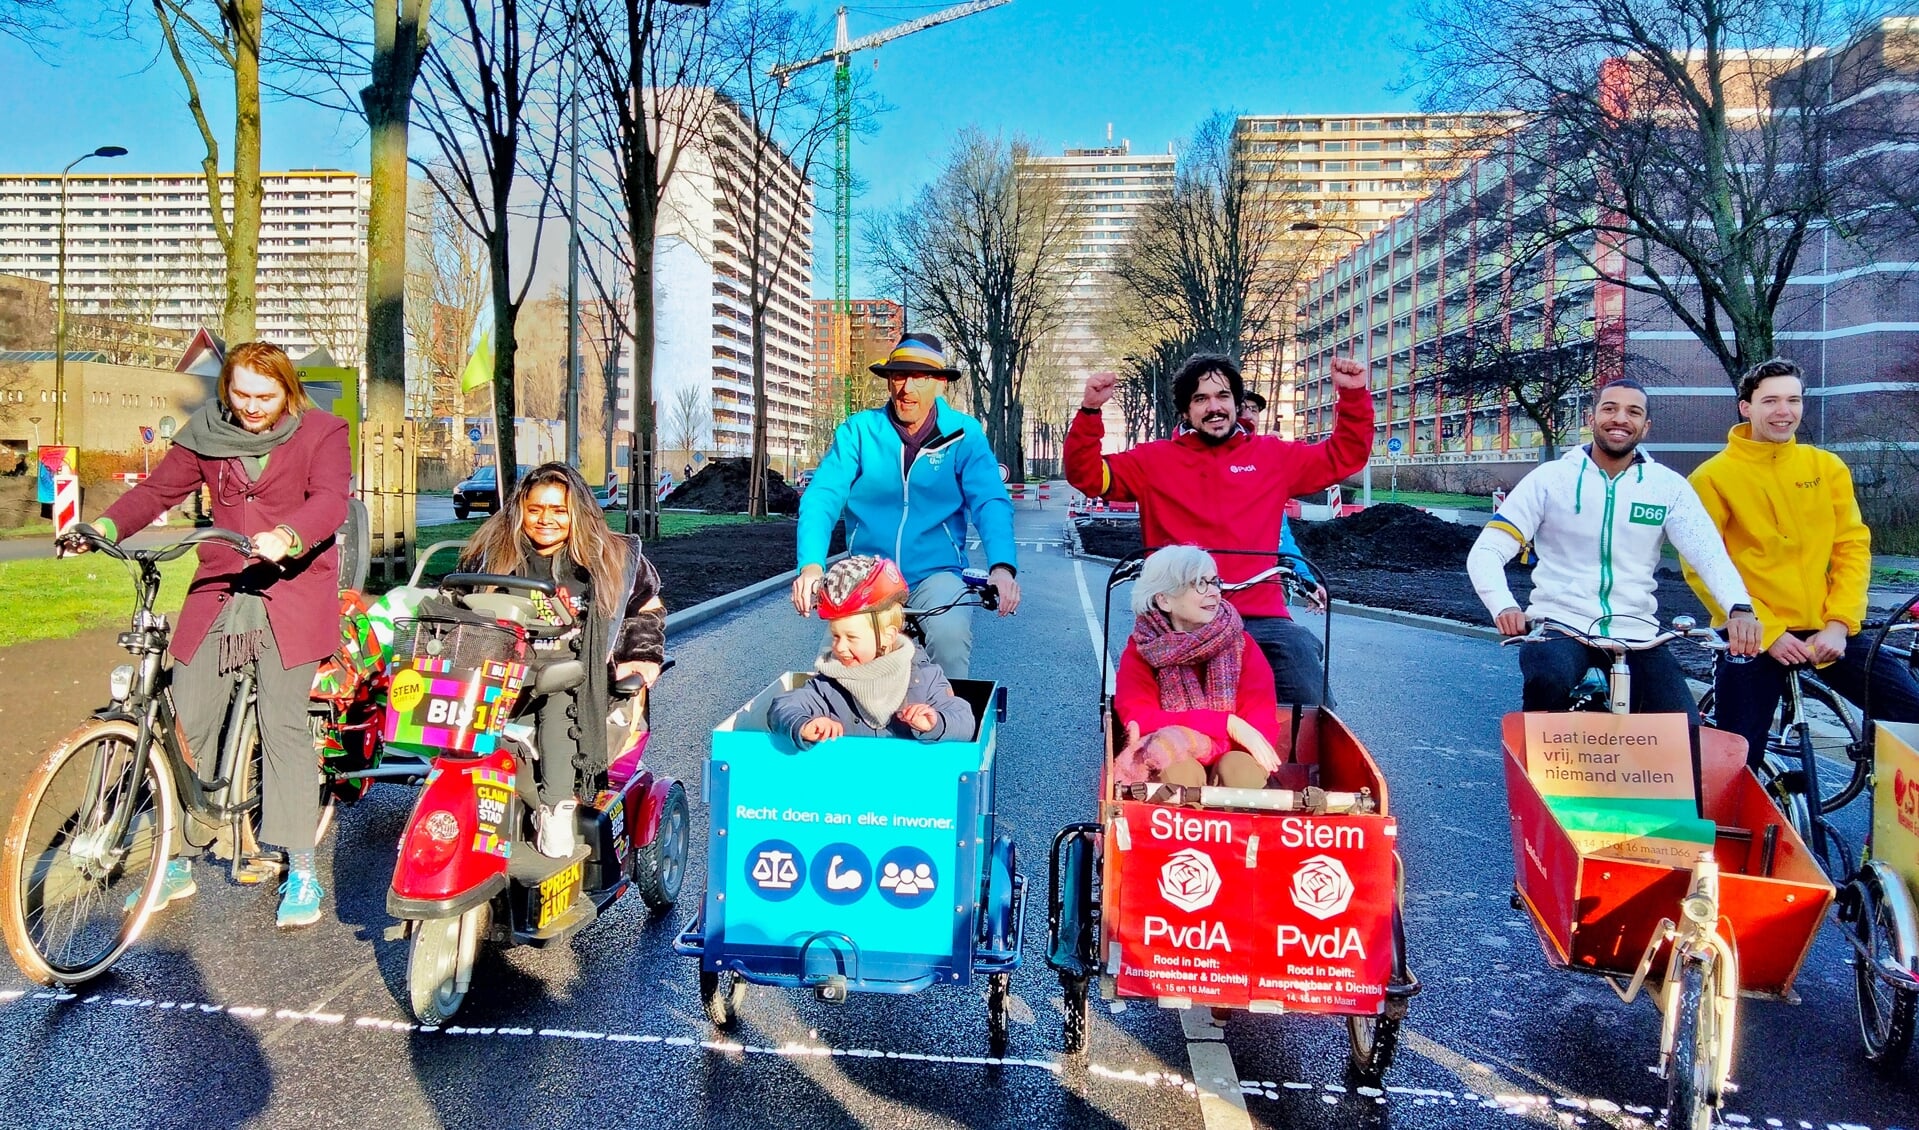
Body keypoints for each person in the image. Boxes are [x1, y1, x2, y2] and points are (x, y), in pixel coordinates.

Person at [64, 341, 351, 929]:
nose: (250, 406)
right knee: (185, 715)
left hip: (290, 591)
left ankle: (300, 866)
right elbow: (156, 492)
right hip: (220, 584)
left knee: (283, 723)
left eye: (264, 396)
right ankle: (178, 854)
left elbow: (329, 502)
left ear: (288, 391)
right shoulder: (206, 432)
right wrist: (100, 527)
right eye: (240, 394)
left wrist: (288, 536)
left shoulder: (323, 431)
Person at [1068, 353, 1373, 705]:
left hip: (1261, 614)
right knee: (1144, 697)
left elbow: (1343, 456)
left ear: (1235, 403)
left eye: (1223, 396)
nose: (1214, 407)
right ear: (1186, 411)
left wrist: (1352, 396)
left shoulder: (1272, 456)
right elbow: (1087, 475)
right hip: (1179, 617)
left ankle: (1305, 758)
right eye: (1201, 399)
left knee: (1305, 676)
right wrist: (1090, 412)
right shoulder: (1153, 460)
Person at [1467, 379, 1762, 730]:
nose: (1620, 418)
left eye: (1633, 412)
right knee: (1547, 684)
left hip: (1637, 632)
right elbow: (1486, 550)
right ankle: (1540, 780)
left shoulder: (1667, 487)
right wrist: (1504, 606)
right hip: (1560, 625)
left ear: (1645, 426)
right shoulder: (1551, 478)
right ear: (1591, 418)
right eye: (1610, 409)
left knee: (1684, 731)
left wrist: (1740, 608)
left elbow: (1709, 555)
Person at [1682, 358, 1919, 766]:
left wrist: (1840, 625)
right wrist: (1768, 632)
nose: (1783, 411)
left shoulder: (1825, 468)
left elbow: (1851, 546)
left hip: (1826, 628)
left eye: (1793, 400)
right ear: (1746, 407)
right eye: (1770, 400)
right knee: (1737, 758)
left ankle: (1893, 819)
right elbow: (1701, 566)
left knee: (1910, 714)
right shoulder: (1710, 478)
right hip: (1751, 631)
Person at [460, 462, 665, 854]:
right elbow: (459, 603)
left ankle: (556, 808)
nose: (545, 520)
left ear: (578, 512)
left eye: (558, 510)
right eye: (535, 509)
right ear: (521, 508)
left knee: (559, 686)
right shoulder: (492, 552)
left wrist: (641, 656)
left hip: (579, 679)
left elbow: (649, 608)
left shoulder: (615, 558)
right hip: (505, 672)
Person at [794, 332, 1019, 679]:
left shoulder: (964, 435)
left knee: (949, 635)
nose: (907, 389)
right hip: (868, 575)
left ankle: (950, 721)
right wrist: (811, 564)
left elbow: (990, 500)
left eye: (921, 378)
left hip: (936, 573)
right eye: (899, 376)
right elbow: (823, 495)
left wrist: (1002, 567)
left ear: (940, 384)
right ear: (888, 381)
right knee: (836, 658)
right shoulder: (859, 431)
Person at [1111, 547, 1282, 788]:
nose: (1214, 592)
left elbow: (1260, 726)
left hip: (1232, 758)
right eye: (1199, 584)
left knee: (1239, 769)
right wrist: (1226, 724)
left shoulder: (1242, 645)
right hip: (1170, 754)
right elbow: (1140, 719)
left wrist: (1210, 746)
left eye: (1214, 582)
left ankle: (1242, 823)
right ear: (1164, 599)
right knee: (1177, 768)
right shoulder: (1143, 650)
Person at [769, 555, 974, 747]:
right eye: (836, 636)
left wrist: (935, 722)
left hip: (911, 779)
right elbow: (783, 706)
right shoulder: (829, 684)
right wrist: (804, 724)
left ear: (888, 635)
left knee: (950, 634)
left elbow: (964, 719)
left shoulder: (923, 678)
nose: (840, 647)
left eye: (852, 638)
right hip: (851, 781)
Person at [1239, 390, 1327, 609]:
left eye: (1254, 409)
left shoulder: (1268, 463)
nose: (1249, 414)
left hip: (1263, 582)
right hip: (1214, 582)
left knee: (1294, 641)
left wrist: (1307, 581)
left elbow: (1282, 536)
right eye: (1242, 408)